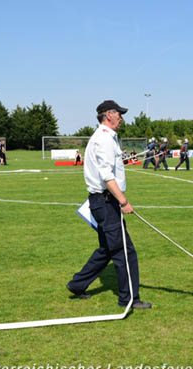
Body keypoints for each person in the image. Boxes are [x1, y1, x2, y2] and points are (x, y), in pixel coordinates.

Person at [66, 100, 151, 309]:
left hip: (102, 202)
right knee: (124, 251)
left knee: (107, 249)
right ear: (108, 115)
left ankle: (77, 284)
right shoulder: (104, 139)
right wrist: (123, 201)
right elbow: (106, 175)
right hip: (106, 201)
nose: (121, 117)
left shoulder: (107, 138)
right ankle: (129, 299)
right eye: (119, 114)